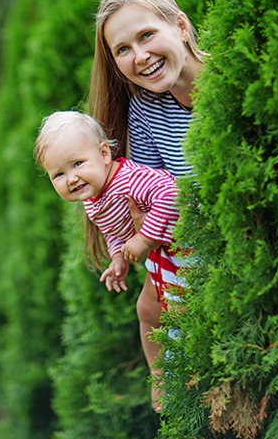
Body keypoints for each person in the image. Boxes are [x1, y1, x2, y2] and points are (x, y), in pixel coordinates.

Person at [88, 0, 207, 410]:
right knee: (151, 305)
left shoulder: (233, 89)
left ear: (181, 26)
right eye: (122, 49)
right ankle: (166, 387)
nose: (140, 57)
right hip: (184, 238)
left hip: (234, 246)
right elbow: (150, 192)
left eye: (147, 35)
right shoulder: (146, 110)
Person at [34, 111, 187, 403]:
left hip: (183, 248)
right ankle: (159, 376)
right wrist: (118, 258)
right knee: (146, 311)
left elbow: (170, 193)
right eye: (59, 174)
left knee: (177, 314)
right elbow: (114, 229)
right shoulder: (94, 198)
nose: (72, 179)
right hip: (161, 254)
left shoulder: (128, 181)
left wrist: (143, 238)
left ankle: (182, 380)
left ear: (104, 153)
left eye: (78, 164)